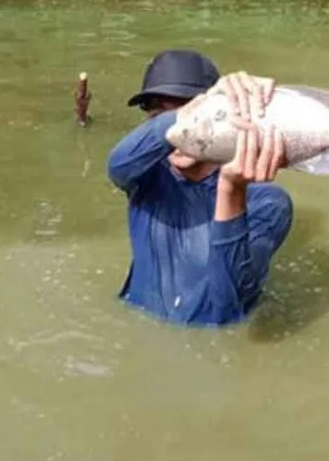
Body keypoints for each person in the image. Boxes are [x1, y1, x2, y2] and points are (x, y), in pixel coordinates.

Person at [106, 49, 295, 326]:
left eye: (198, 121)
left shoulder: (267, 202)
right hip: (137, 329)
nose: (182, 137)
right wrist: (190, 114)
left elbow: (227, 307)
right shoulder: (146, 177)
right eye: (159, 117)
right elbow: (117, 164)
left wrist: (232, 189)